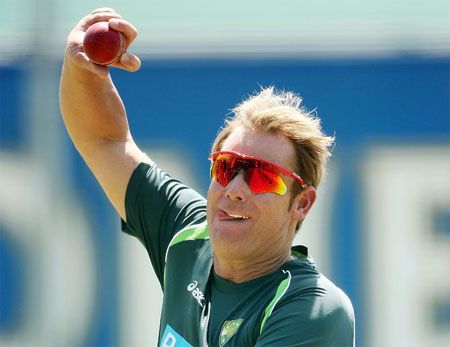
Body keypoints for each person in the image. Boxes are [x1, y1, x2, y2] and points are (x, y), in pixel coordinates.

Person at [60, 8, 355, 347]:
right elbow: (105, 141)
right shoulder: (190, 235)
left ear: (301, 203)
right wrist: (81, 67)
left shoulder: (314, 311)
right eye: (226, 167)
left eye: (262, 177)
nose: (235, 189)